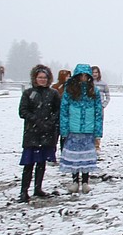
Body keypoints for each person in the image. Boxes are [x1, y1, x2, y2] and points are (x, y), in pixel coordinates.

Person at [17, 65, 60, 202]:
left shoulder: (53, 94)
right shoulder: (28, 93)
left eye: (44, 77)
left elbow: (57, 111)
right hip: (32, 133)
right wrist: (36, 119)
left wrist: (50, 122)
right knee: (29, 163)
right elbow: (22, 111)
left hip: (47, 132)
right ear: (35, 78)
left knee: (41, 162)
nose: (42, 80)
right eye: (40, 77)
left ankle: (38, 188)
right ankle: (24, 191)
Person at [58, 63, 104, 193]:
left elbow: (98, 112)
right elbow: (64, 110)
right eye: (81, 75)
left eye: (86, 75)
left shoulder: (93, 91)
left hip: (88, 130)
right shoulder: (70, 90)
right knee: (74, 158)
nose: (83, 78)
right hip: (73, 129)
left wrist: (98, 131)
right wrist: (64, 129)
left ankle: (85, 181)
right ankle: (74, 181)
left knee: (86, 158)